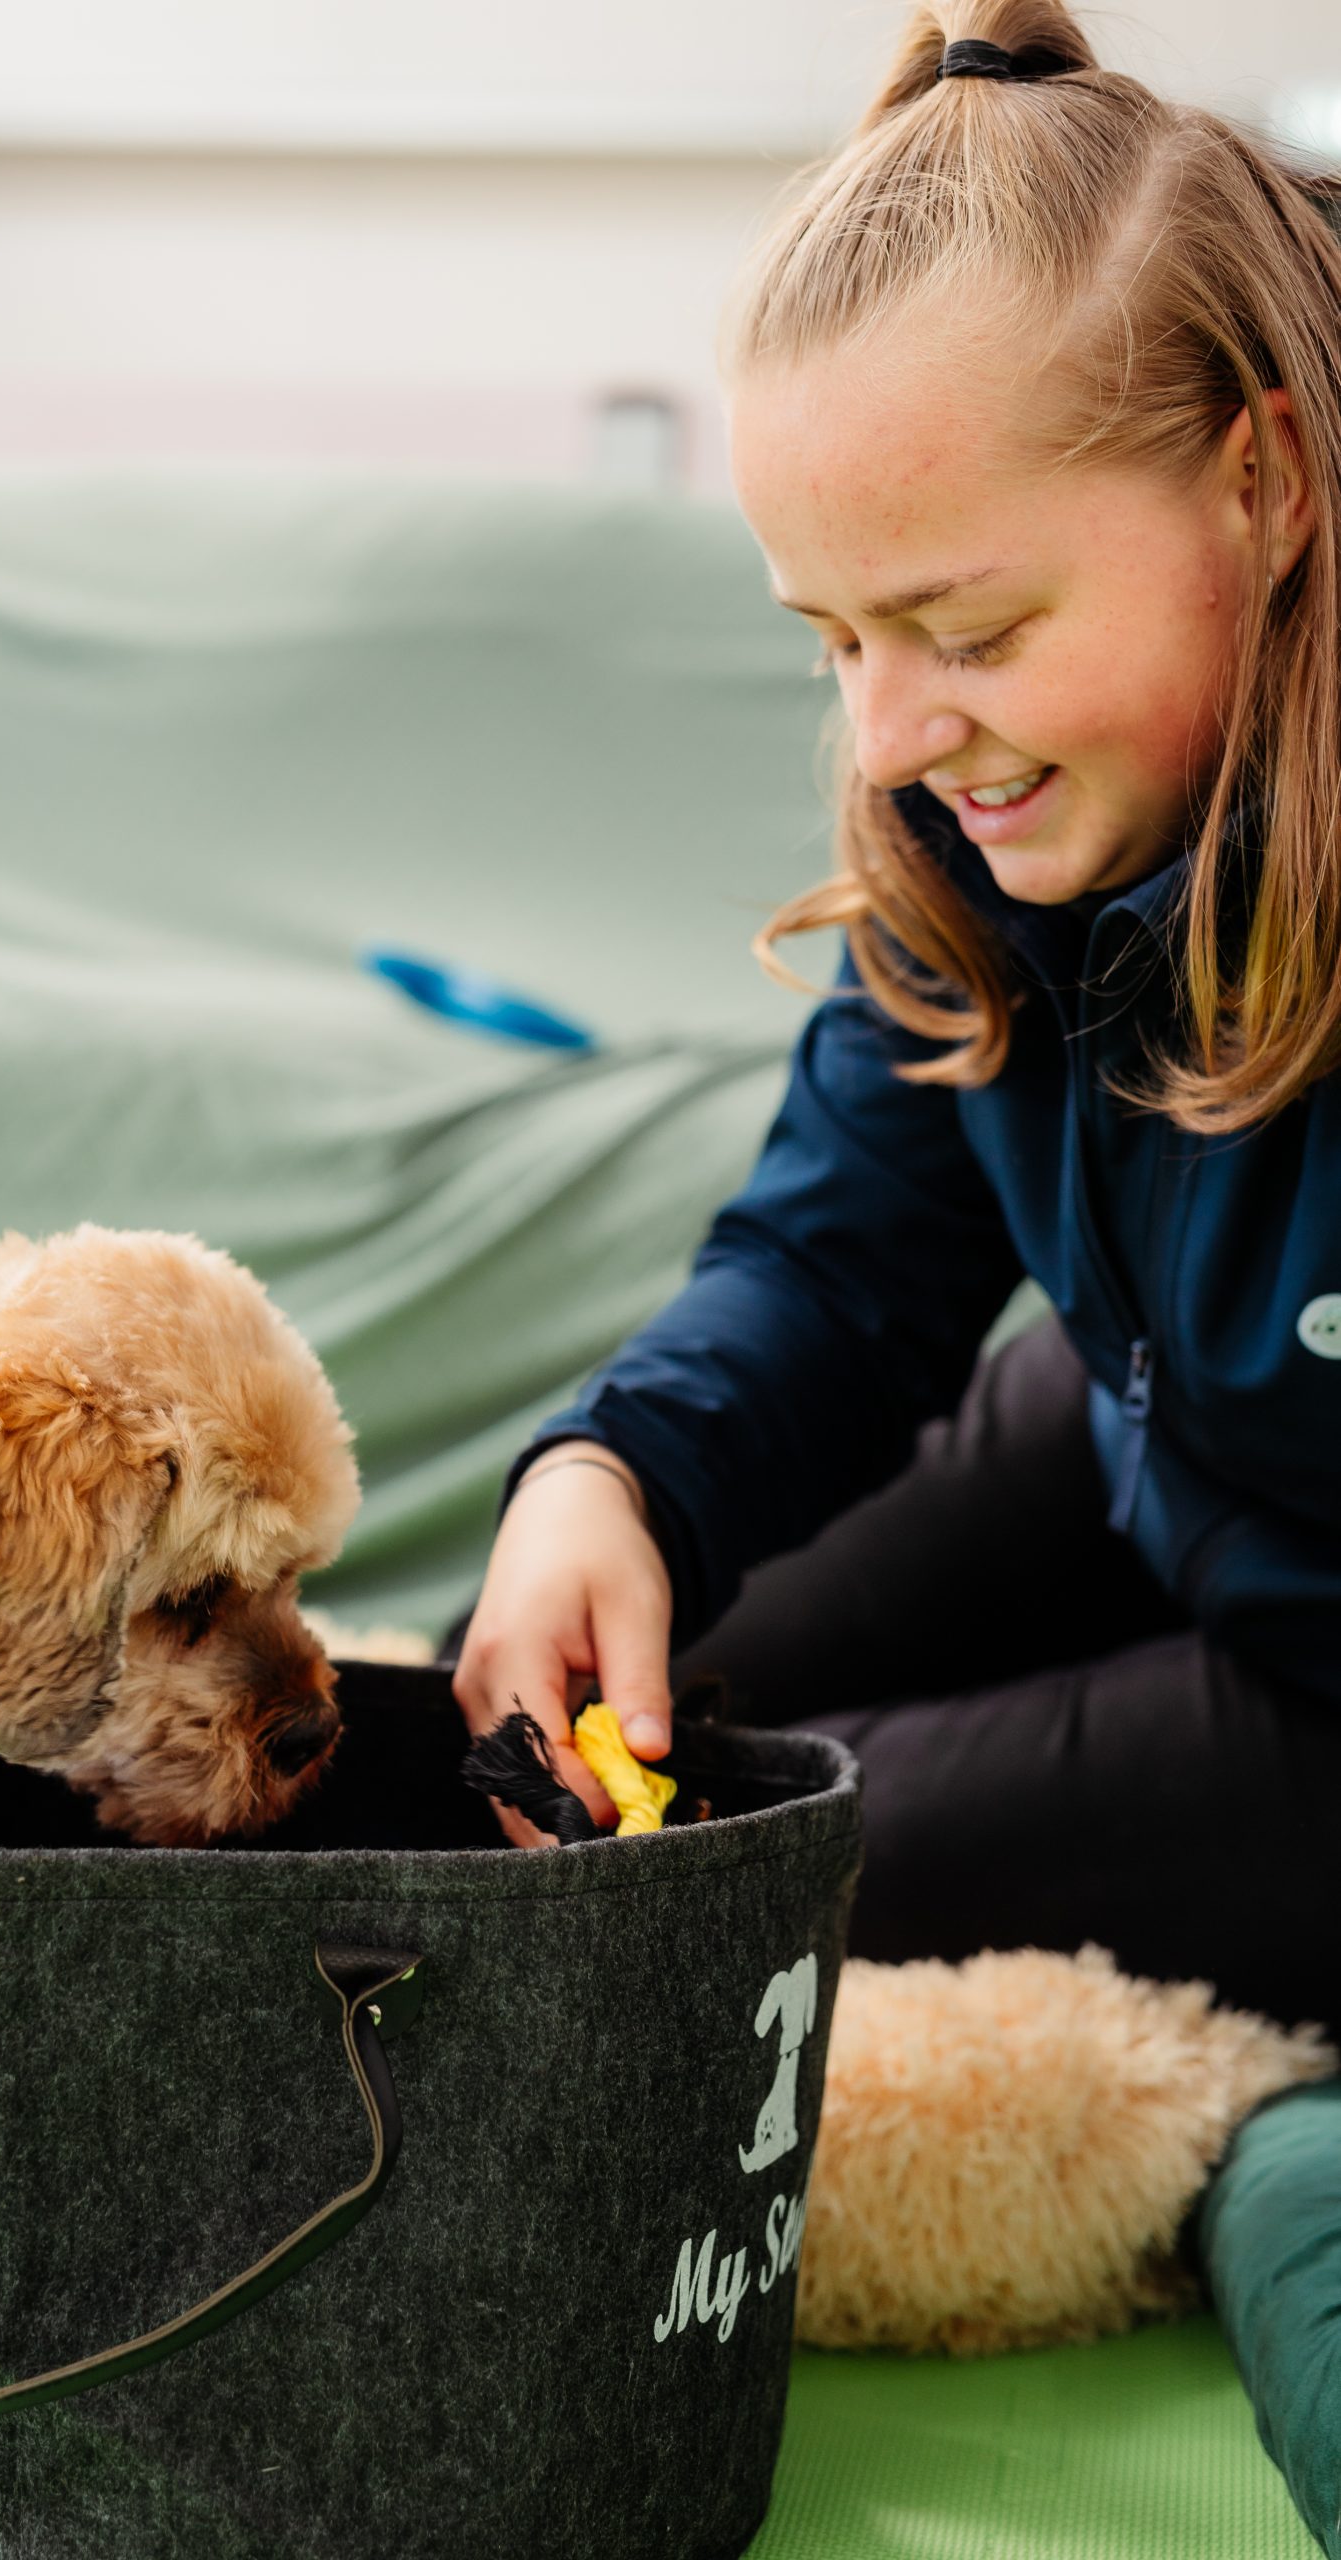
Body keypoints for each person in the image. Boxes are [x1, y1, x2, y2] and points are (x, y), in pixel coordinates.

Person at [451, 0, 1341, 2036]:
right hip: (1160, 1436)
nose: (893, 731)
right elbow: (836, 1253)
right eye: (834, 637)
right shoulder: (971, 828)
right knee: (548, 1724)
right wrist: (610, 1472)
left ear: (1263, 483)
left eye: (969, 628)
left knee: (682, 1878)